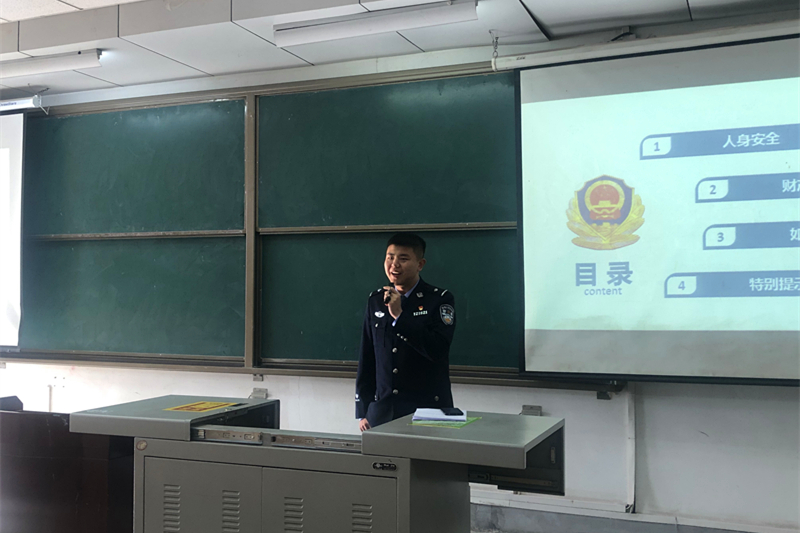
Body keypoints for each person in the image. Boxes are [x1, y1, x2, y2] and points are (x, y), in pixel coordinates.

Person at [355, 233, 456, 431]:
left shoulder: (439, 300)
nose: (394, 265)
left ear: (420, 264)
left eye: (403, 258)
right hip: (382, 412)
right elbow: (367, 356)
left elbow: (437, 350)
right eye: (390, 257)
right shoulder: (376, 300)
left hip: (427, 411)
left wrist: (400, 317)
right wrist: (364, 409)